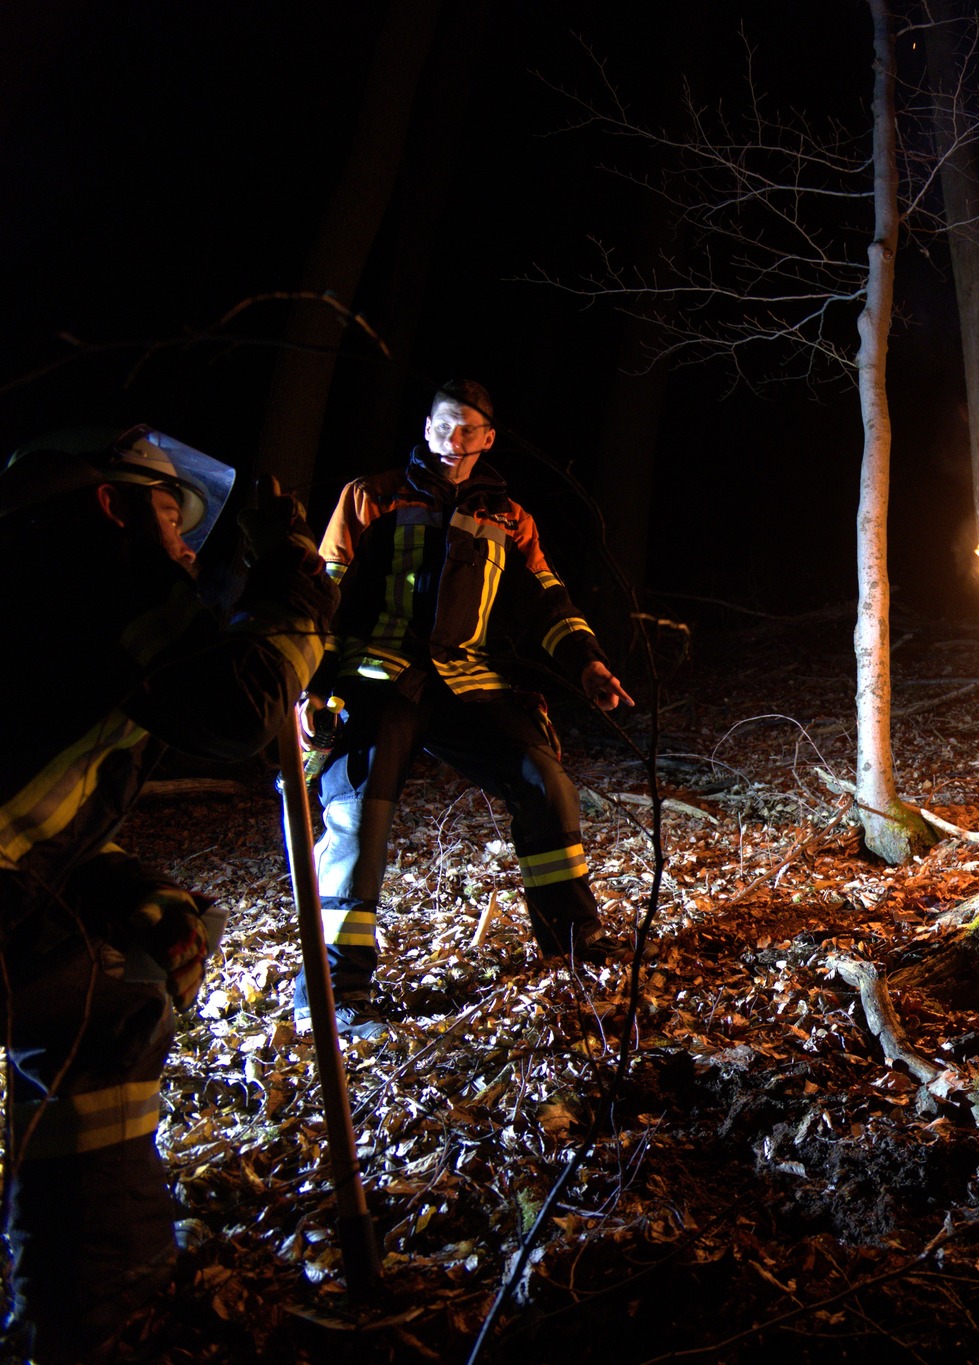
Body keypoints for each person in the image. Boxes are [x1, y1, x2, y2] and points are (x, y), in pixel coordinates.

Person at [0, 426, 335, 1362]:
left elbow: (39, 801)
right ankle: (101, 1303)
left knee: (107, 995)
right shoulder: (98, 577)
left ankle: (92, 1298)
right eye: (168, 513)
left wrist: (133, 886)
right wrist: (298, 579)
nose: (185, 545)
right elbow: (238, 704)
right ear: (110, 504)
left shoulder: (36, 583)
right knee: (99, 1016)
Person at [297, 379, 634, 1038]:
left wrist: (588, 661)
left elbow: (548, 599)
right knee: (359, 805)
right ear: (424, 429)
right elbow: (323, 585)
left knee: (544, 780)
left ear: (487, 439)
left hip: (465, 678)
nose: (452, 439)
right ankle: (341, 986)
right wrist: (306, 678)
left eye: (467, 428)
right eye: (441, 425)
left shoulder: (510, 517)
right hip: (377, 675)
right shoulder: (372, 496)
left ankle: (575, 945)